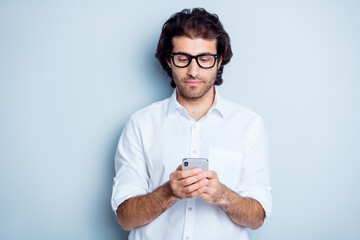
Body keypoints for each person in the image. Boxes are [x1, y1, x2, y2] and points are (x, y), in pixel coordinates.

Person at [111, 8, 272, 240]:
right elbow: (126, 218)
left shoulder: (249, 125)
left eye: (205, 59)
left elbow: (257, 218)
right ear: (169, 60)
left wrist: (222, 195)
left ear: (219, 62)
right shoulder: (140, 125)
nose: (193, 70)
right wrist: (169, 192)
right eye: (183, 58)